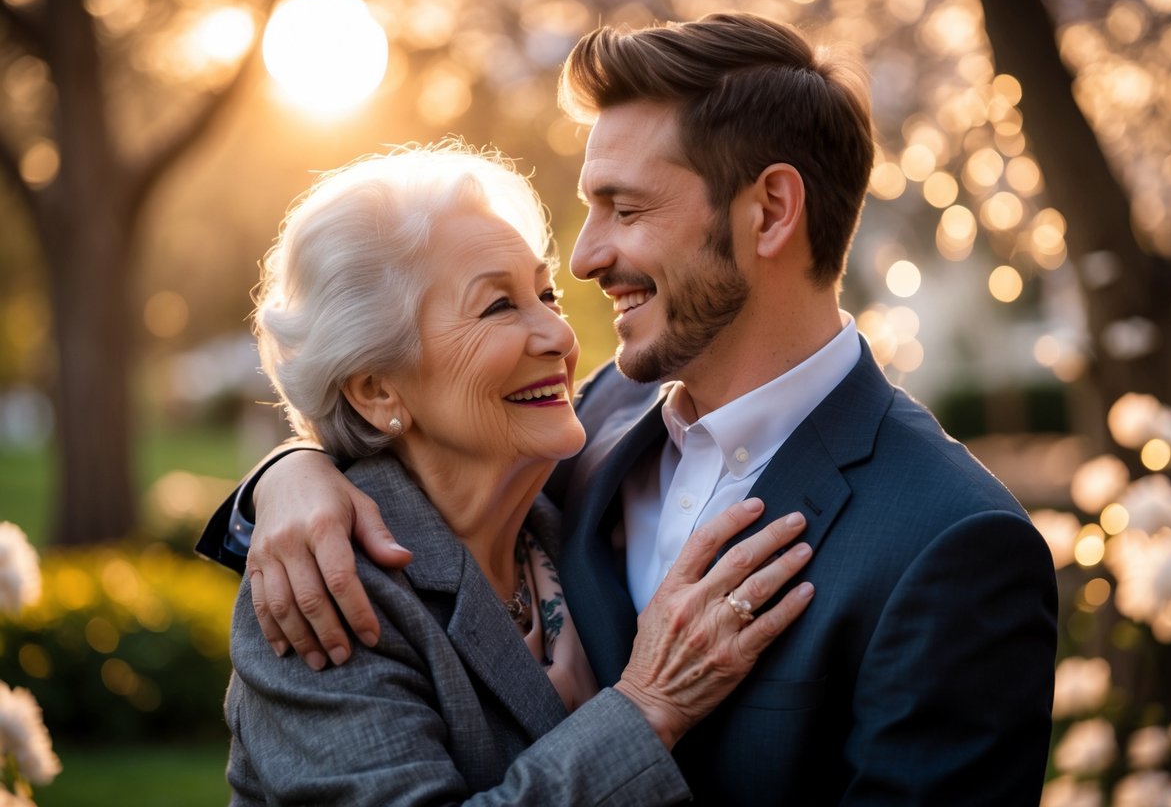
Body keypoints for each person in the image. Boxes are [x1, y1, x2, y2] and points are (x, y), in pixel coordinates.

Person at [200, 13, 1058, 804]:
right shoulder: (595, 426)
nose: (584, 260)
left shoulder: (950, 543)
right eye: (586, 211)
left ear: (769, 212)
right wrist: (290, 471)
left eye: (625, 207)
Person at [218, 142, 816, 804]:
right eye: (498, 307)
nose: (559, 337)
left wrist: (284, 467)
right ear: (377, 390)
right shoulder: (325, 592)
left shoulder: (574, 498)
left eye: (545, 293)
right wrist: (648, 708)